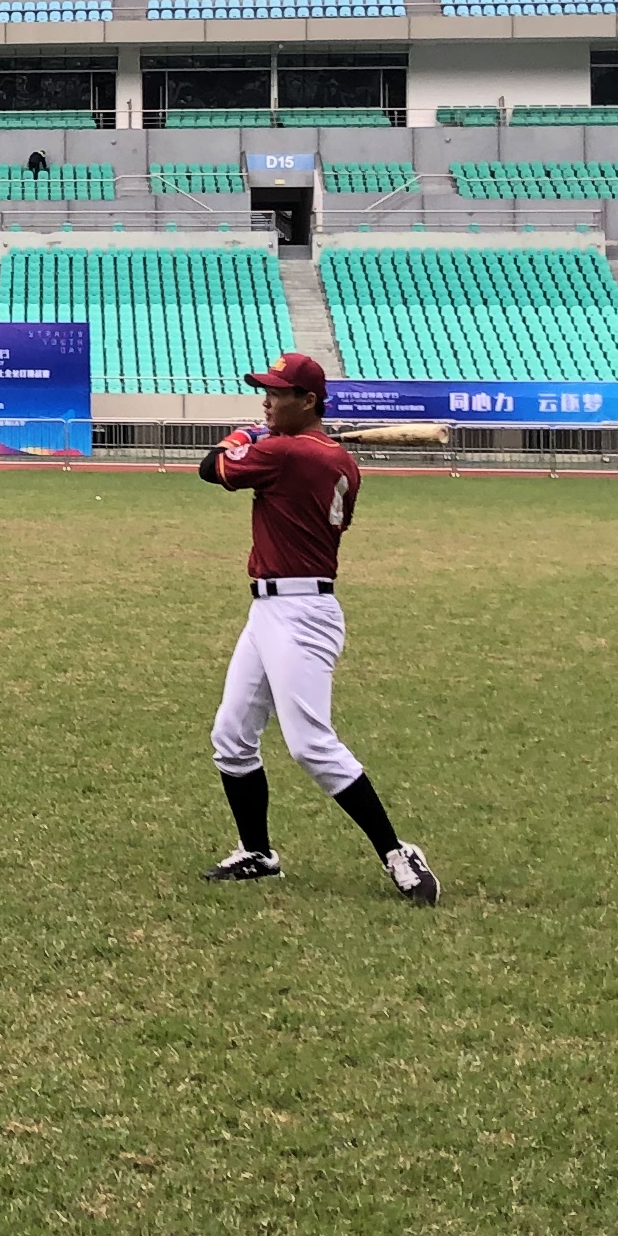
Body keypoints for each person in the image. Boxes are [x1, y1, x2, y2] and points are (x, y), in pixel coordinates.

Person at [197, 353, 437, 903]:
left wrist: (244, 436)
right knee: (231, 736)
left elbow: (211, 467)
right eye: (266, 392)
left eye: (278, 394)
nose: (267, 401)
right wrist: (265, 438)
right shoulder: (338, 460)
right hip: (273, 608)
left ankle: (397, 852)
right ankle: (257, 853)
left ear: (308, 401)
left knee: (310, 745)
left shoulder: (286, 452)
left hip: (300, 613)